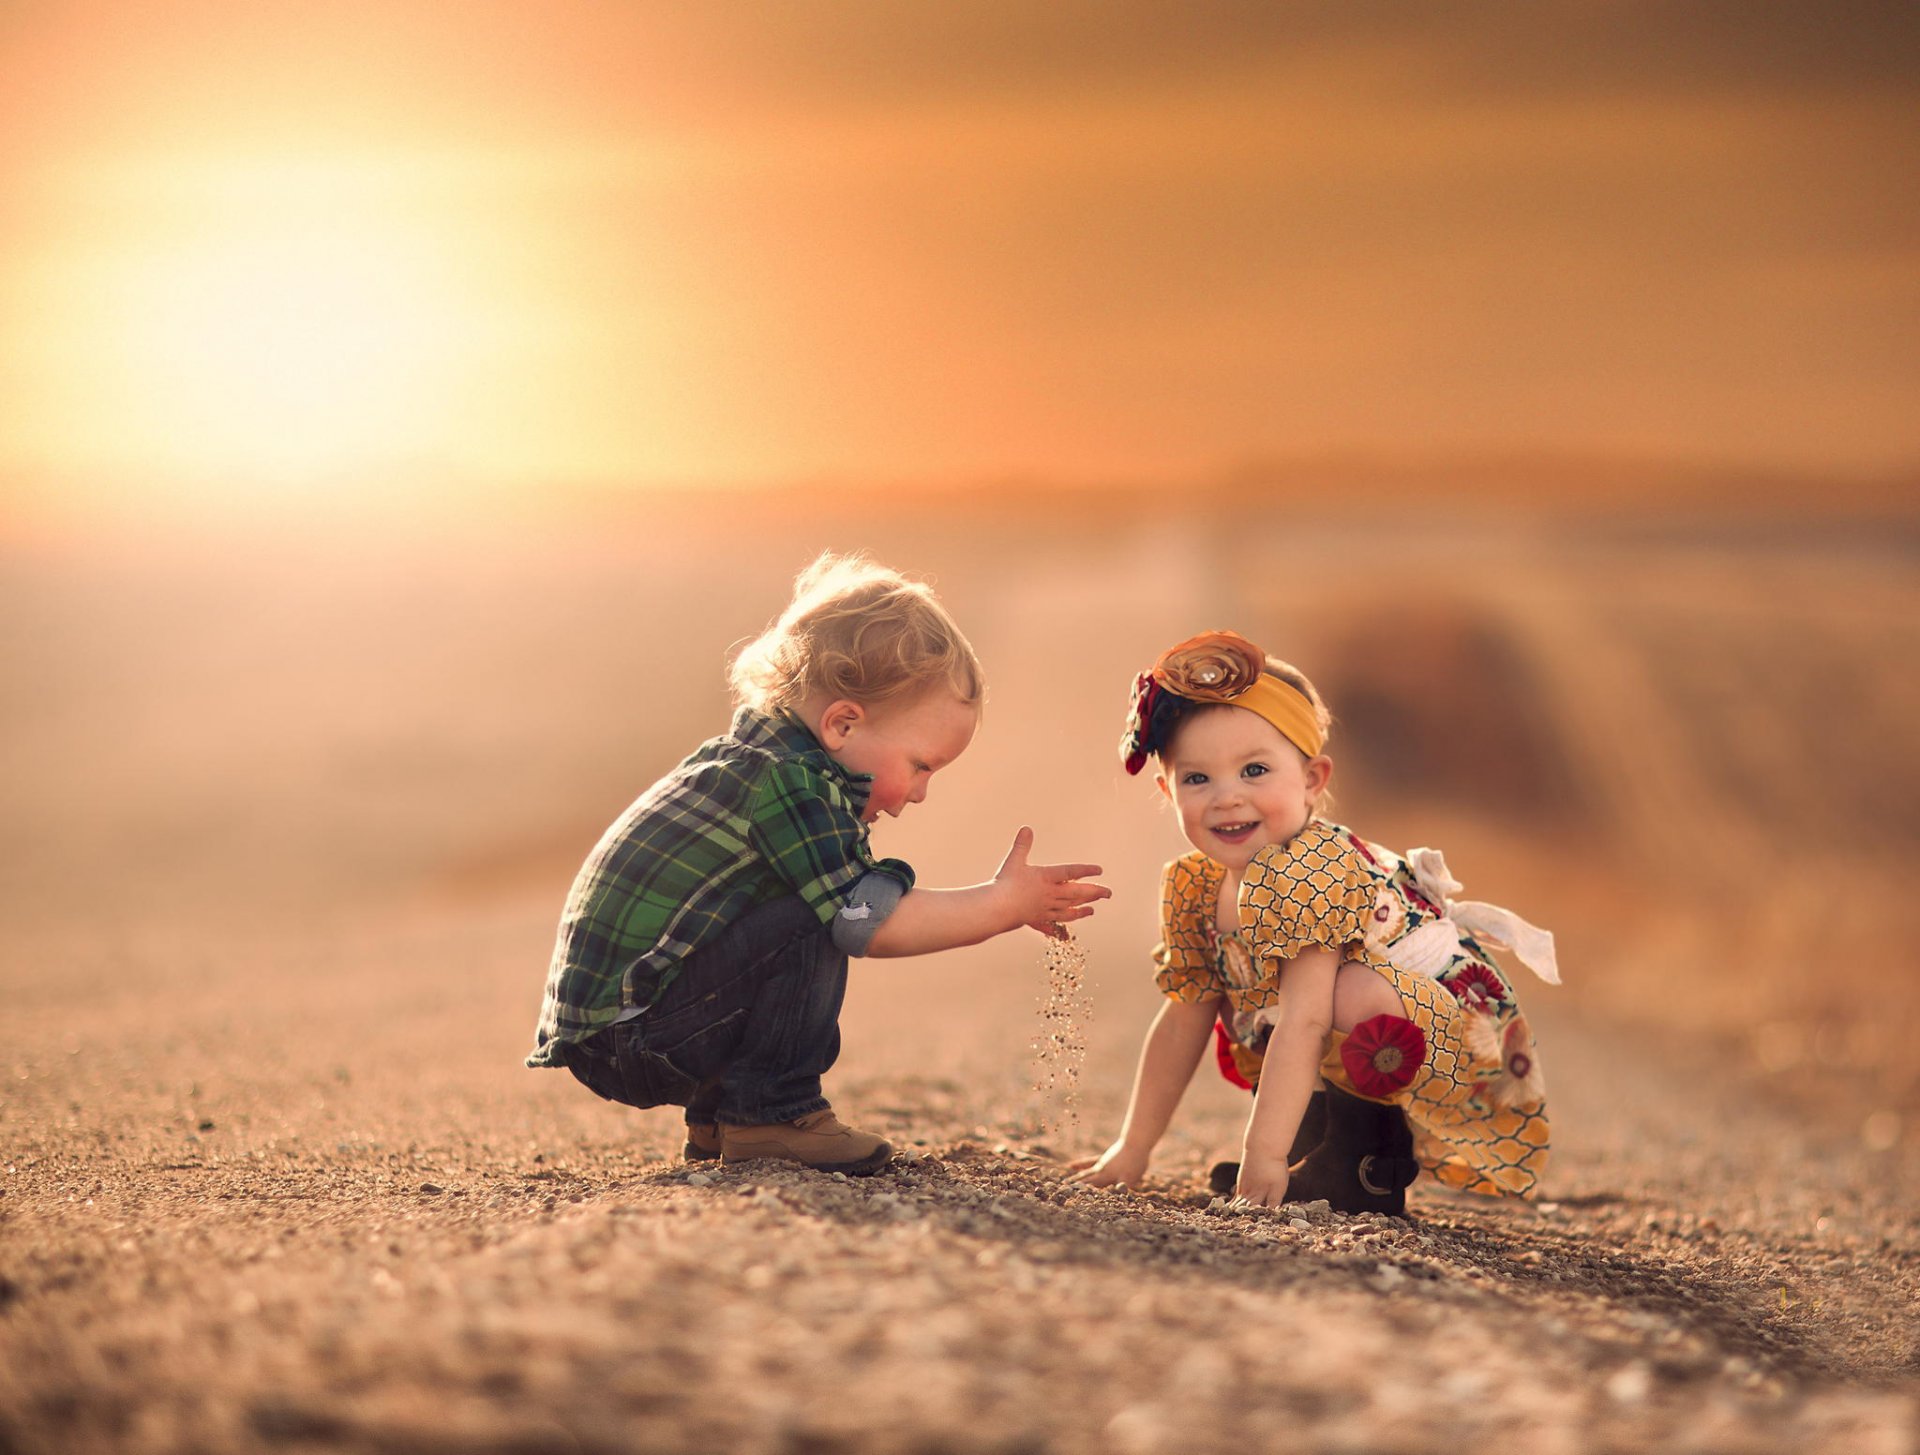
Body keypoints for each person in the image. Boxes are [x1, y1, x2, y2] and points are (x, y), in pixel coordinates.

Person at [527, 553, 1109, 1176]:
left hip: (621, 1030)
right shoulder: (792, 785)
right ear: (842, 722)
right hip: (637, 1040)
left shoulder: (751, 760)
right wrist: (1001, 904)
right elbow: (869, 922)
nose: (920, 793)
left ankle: (722, 1117)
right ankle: (772, 1115)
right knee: (822, 914)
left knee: (785, 905)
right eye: (922, 765)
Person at [1071, 630, 1556, 1214]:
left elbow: (1305, 1022)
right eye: (1197, 779)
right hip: (1366, 1030)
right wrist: (1133, 1148)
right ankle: (1315, 1140)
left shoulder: (1313, 868)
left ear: (1312, 779)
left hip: (1456, 1043)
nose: (1226, 797)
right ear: (1166, 790)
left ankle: (1365, 1162)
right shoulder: (1196, 886)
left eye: (1254, 770)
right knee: (1232, 993)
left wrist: (1262, 1154)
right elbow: (1182, 1021)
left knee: (1331, 991)